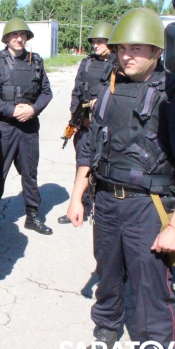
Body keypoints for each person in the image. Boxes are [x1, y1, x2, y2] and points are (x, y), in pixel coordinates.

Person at [66, 8, 175, 349]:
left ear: (157, 51)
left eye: (137, 48)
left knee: (152, 289)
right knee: (108, 274)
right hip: (106, 201)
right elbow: (91, 146)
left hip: (149, 207)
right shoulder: (109, 86)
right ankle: (105, 332)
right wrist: (77, 195)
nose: (127, 55)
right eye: (122, 48)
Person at [0, 18, 53, 238]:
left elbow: (46, 92)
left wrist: (33, 109)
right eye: (14, 35)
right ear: (6, 38)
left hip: (29, 126)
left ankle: (32, 216)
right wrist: (11, 111)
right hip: (4, 127)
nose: (19, 38)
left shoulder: (35, 61)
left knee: (30, 173)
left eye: (22, 35)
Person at [58, 21, 116, 224]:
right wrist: (76, 118)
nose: (96, 45)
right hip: (84, 125)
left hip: (106, 127)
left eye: (101, 41)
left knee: (105, 167)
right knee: (82, 164)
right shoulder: (87, 63)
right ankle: (79, 205)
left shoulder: (118, 64)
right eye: (94, 41)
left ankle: (102, 208)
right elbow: (76, 91)